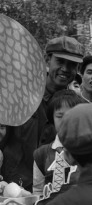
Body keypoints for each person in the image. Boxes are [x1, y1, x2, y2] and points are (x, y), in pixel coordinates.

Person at [5, 36, 84, 189]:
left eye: (72, 65)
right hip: (12, 188)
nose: (65, 69)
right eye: (60, 61)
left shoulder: (80, 109)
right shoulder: (18, 95)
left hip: (53, 193)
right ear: (47, 60)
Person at [32, 90, 87, 195]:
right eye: (60, 116)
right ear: (52, 118)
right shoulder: (41, 154)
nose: (66, 120)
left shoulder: (89, 152)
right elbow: (38, 191)